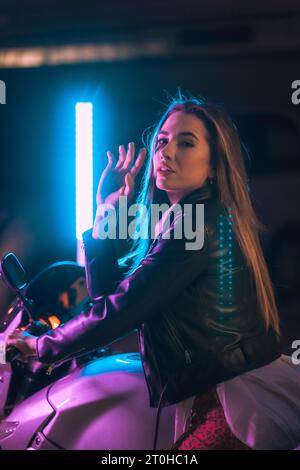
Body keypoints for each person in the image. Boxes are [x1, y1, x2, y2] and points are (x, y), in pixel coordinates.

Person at [7, 93, 300, 450]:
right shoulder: (182, 218)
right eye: (162, 141)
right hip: (211, 392)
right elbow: (113, 299)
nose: (167, 152)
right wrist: (105, 216)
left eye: (186, 143)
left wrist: (40, 346)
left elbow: (125, 308)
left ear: (213, 165)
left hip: (236, 402)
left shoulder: (199, 224)